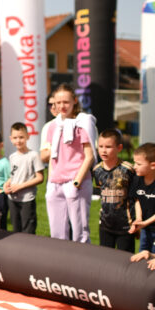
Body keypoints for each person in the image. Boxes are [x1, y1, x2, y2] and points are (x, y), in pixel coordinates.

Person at [41, 83, 96, 243]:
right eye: (58, 103)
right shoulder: (53, 126)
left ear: (75, 101)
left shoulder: (83, 123)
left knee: (80, 233)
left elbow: (89, 156)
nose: (61, 106)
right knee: (56, 233)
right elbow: (52, 157)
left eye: (66, 102)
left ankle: (83, 265)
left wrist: (77, 181)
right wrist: (50, 182)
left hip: (75, 182)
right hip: (55, 183)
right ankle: (59, 264)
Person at [93, 129, 135, 252]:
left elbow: (135, 197)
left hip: (126, 225)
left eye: (108, 147)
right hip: (105, 224)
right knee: (106, 258)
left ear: (119, 148)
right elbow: (99, 191)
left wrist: (136, 220)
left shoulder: (128, 169)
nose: (103, 150)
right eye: (100, 146)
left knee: (125, 259)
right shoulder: (97, 170)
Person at [4, 123, 45, 234]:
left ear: (28, 136)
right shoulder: (12, 157)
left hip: (27, 199)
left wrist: (20, 186)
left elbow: (40, 178)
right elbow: (13, 176)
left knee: (28, 231)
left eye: (21, 137)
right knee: (16, 231)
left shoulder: (33, 155)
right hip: (13, 199)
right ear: (11, 139)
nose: (18, 140)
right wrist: (6, 185)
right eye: (15, 138)